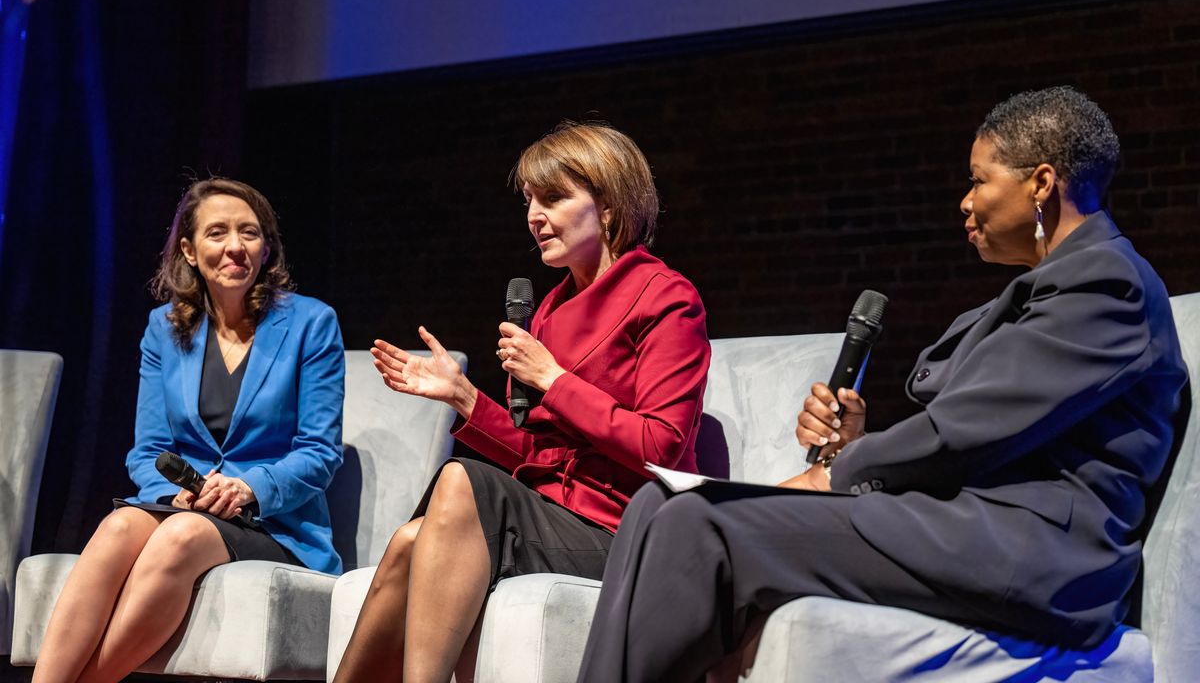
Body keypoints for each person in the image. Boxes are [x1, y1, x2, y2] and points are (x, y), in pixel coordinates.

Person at [576, 87, 1189, 683]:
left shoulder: (1107, 283)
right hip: (965, 523)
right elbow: (984, 428)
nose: (965, 201)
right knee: (657, 504)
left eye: (979, 179)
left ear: (1042, 184)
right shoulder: (1052, 288)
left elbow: (969, 430)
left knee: (697, 524)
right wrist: (856, 445)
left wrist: (834, 474)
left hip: (1034, 552)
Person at [333, 123, 711, 683]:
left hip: (626, 529)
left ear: (608, 208)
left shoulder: (665, 297)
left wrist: (554, 380)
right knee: (413, 538)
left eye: (553, 198)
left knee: (462, 479)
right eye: (529, 200)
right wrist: (464, 397)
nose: (533, 215)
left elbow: (664, 447)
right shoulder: (549, 311)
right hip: (552, 515)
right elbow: (538, 455)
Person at [33, 178, 345, 683]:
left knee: (178, 538)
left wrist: (247, 487)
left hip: (273, 522)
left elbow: (320, 453)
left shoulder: (312, 323)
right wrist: (174, 492)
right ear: (190, 250)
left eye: (249, 233)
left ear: (266, 248)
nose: (234, 247)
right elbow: (147, 451)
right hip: (188, 503)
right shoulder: (164, 327)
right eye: (217, 233)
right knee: (117, 526)